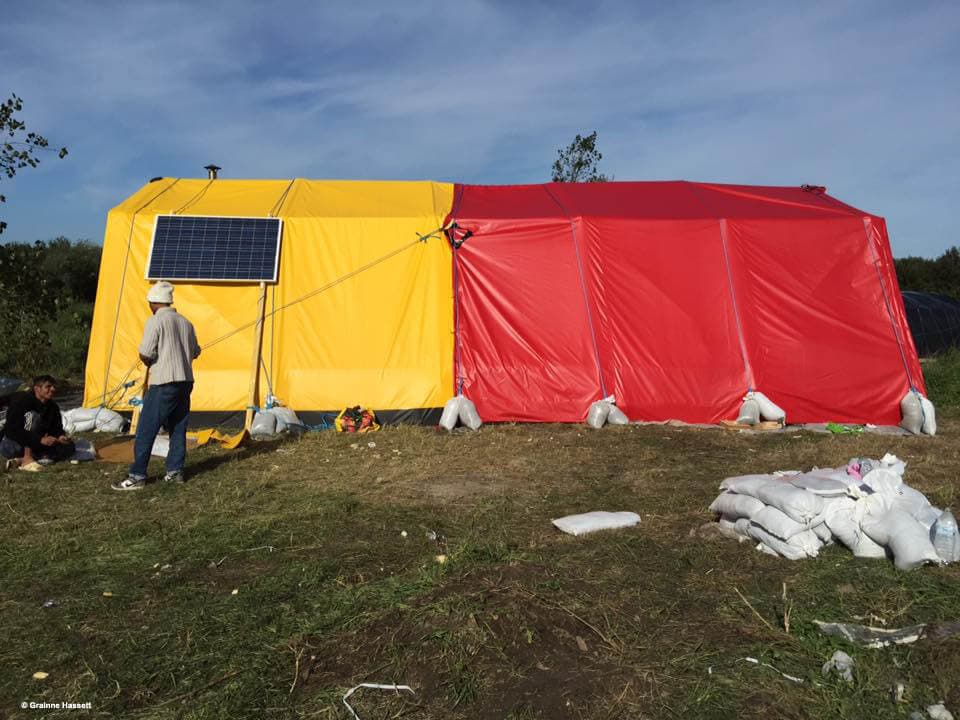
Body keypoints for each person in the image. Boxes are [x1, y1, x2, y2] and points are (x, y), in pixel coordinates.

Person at [112, 281, 200, 491]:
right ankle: (175, 471)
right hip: (185, 380)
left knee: (146, 429)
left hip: (164, 381)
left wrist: (150, 359)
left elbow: (146, 352)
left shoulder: (155, 321)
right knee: (178, 427)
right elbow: (196, 351)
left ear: (152, 303)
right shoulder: (186, 322)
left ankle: (137, 475)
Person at [1, 375, 75, 471]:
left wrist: (60, 436)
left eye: (53, 386)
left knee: (70, 447)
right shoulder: (21, 402)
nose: (52, 389)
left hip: (36, 444)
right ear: (37, 389)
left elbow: (56, 428)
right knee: (32, 416)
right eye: (48, 387)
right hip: (12, 444)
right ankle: (27, 459)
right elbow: (12, 431)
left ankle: (20, 460)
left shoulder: (52, 407)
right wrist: (40, 439)